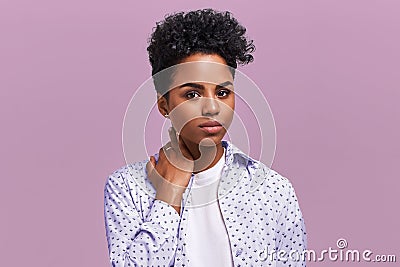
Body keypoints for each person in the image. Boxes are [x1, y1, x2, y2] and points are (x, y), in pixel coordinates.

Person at [104, 8, 307, 267]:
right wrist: (169, 195)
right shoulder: (127, 187)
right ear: (164, 105)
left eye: (223, 92)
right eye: (192, 94)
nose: (212, 108)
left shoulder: (274, 190)